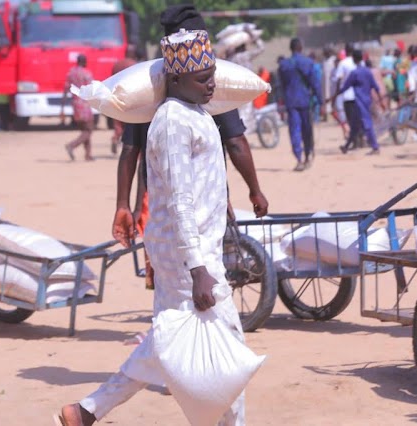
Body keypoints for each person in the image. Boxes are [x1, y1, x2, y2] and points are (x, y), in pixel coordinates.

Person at [57, 28, 249, 426]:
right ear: (175, 80)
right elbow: (179, 197)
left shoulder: (195, 112)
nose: (212, 83)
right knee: (227, 345)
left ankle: (88, 411)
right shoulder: (174, 121)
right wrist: (198, 269)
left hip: (185, 249)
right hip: (187, 255)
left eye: (212, 73)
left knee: (169, 342)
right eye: (202, 78)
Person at [112, 4, 268, 254]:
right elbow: (236, 142)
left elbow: (130, 149)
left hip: (156, 204)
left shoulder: (148, 91)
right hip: (206, 201)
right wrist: (255, 191)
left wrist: (123, 204)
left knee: (167, 276)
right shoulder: (206, 86)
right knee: (203, 276)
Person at [277, 37, 323, 171]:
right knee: (307, 130)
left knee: (294, 131)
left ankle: (299, 158)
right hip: (305, 101)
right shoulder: (308, 62)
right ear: (300, 48)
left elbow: (281, 85)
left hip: (291, 102)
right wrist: (320, 101)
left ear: (291, 48)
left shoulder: (284, 65)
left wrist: (282, 101)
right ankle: (308, 155)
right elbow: (315, 83)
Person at [331, 50, 386, 155]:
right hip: (366, 100)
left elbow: (345, 87)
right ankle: (346, 147)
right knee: (355, 126)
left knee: (367, 124)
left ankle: (375, 147)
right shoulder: (367, 72)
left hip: (359, 102)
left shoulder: (355, 73)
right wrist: (381, 100)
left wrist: (334, 96)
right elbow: (375, 86)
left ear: (354, 59)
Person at [61, 54, 94, 161]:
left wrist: (62, 106)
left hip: (75, 105)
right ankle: (71, 145)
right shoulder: (86, 73)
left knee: (85, 129)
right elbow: (91, 89)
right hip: (84, 105)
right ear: (84, 62)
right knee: (88, 130)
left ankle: (88, 155)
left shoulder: (71, 73)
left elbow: (66, 88)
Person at [110, 46, 138, 155]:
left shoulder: (117, 64)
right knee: (130, 122)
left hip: (116, 95)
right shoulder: (134, 64)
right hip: (130, 96)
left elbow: (112, 79)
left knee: (118, 120)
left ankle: (115, 137)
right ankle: (129, 146)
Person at [333, 43, 359, 149]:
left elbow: (338, 79)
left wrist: (337, 93)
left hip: (347, 96)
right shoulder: (358, 62)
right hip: (359, 94)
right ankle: (358, 140)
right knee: (358, 119)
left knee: (350, 119)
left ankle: (355, 142)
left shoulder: (343, 63)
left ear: (346, 51)